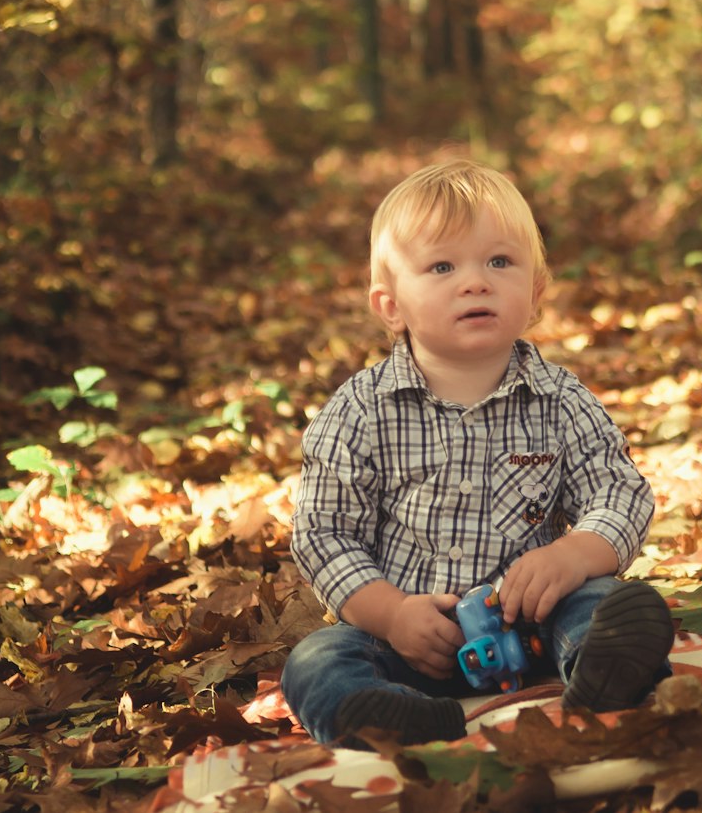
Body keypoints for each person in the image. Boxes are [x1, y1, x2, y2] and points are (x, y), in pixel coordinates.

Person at [283, 159, 673, 747]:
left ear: (535, 291)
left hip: (540, 624)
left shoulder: (561, 399)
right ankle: (386, 716)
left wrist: (571, 556)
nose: (475, 281)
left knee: (602, 605)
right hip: (413, 642)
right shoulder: (360, 410)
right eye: (442, 266)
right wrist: (391, 614)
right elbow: (324, 532)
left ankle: (604, 672)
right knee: (316, 661)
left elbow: (619, 492)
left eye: (499, 262)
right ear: (391, 306)